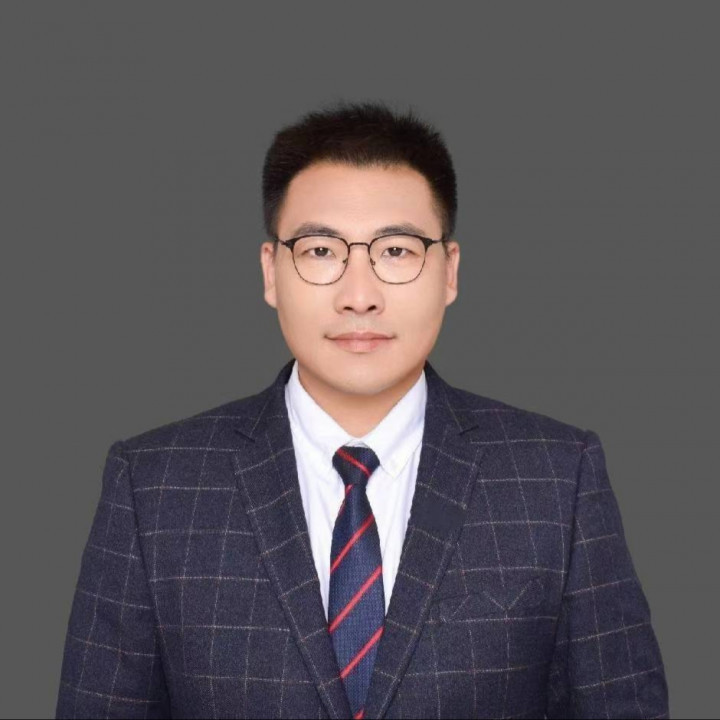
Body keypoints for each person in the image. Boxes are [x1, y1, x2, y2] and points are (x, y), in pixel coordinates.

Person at [56, 101, 669, 719]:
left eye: (396, 250)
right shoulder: (155, 486)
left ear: (449, 272)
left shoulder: (557, 477)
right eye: (321, 251)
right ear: (271, 271)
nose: (359, 296)